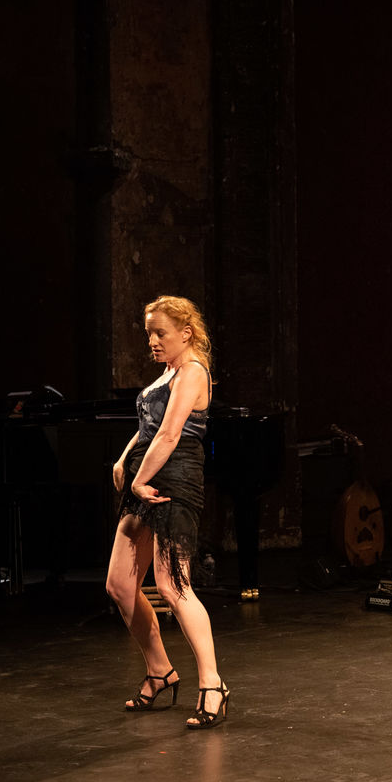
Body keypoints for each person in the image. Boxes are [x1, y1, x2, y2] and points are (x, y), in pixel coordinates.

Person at [105, 296, 231, 729]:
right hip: (148, 476)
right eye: (149, 334)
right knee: (120, 585)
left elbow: (171, 433)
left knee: (173, 585)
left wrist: (139, 479)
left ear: (186, 333)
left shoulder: (193, 371)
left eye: (160, 333)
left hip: (173, 481)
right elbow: (149, 428)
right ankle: (160, 670)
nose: (152, 341)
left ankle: (212, 684)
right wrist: (125, 458)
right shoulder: (169, 372)